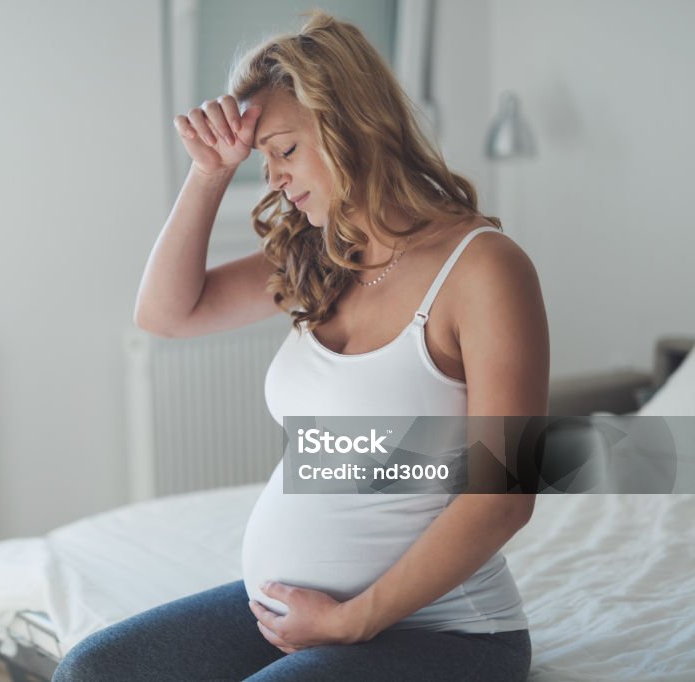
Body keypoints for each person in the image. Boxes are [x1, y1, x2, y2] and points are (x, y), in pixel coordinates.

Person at [53, 10, 547, 681]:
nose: (275, 179)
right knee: (95, 669)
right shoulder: (322, 254)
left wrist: (353, 620)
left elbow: (504, 495)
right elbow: (166, 314)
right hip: (296, 619)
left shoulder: (484, 269)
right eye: (264, 162)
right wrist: (208, 174)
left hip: (446, 634)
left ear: (353, 128)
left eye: (284, 150)